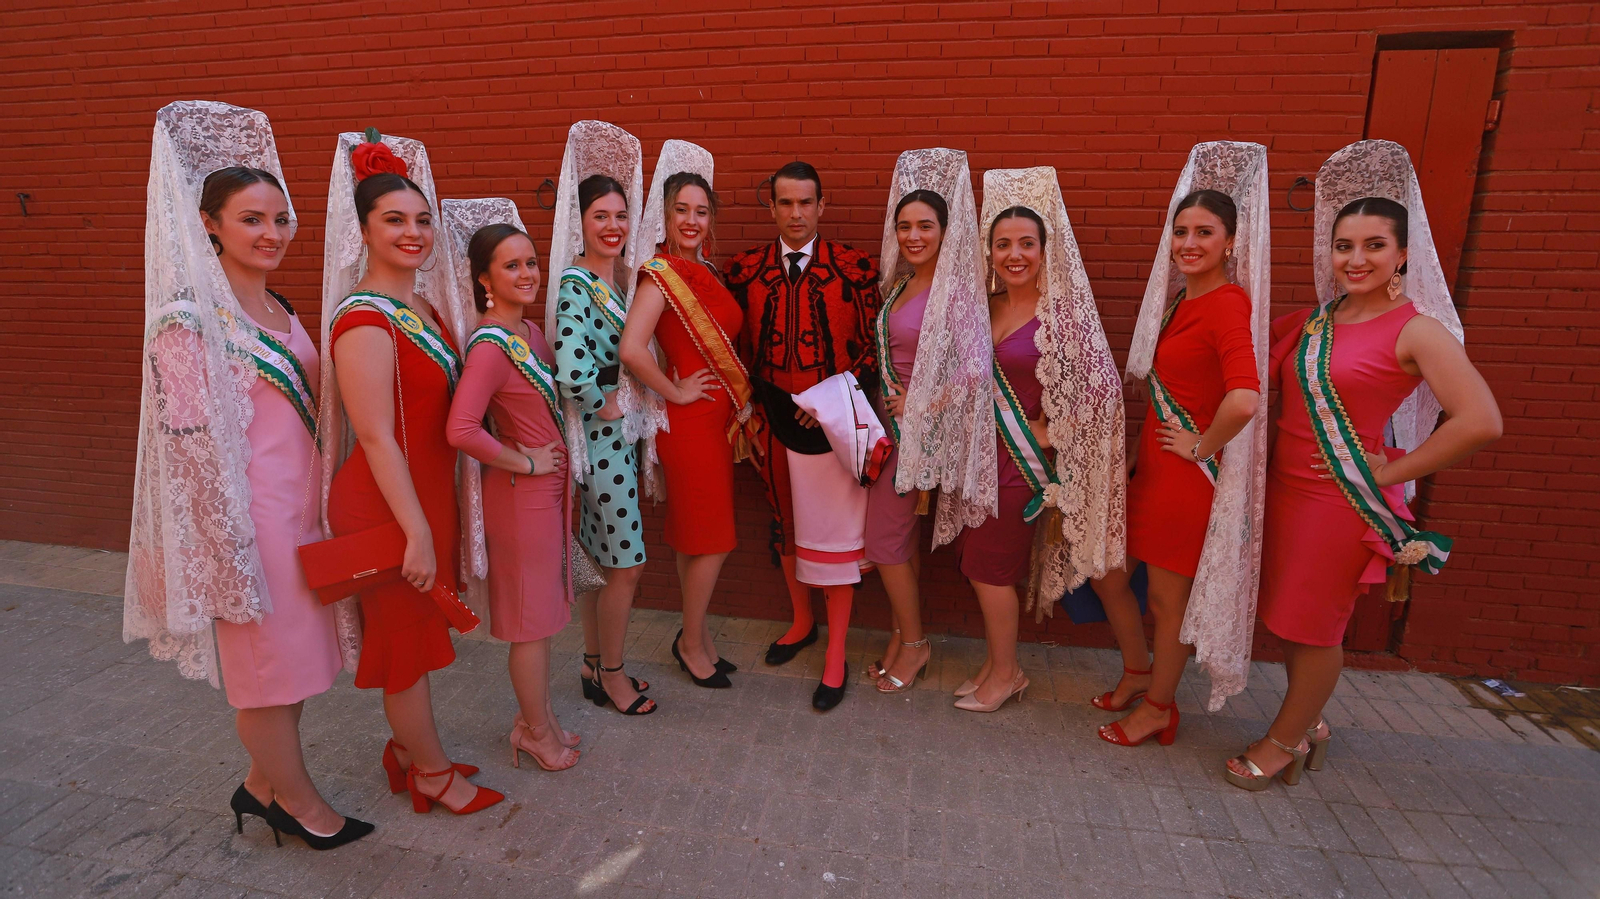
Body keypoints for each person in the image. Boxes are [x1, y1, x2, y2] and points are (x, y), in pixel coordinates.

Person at [125, 101, 371, 850]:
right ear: (209, 224)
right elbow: (188, 453)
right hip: (247, 531)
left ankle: (260, 786)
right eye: (251, 220)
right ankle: (299, 806)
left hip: (302, 520)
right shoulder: (185, 320)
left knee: (296, 667)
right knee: (265, 676)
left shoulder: (279, 304)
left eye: (280, 219)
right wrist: (221, 555)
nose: (272, 233)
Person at [1230, 141, 1500, 790]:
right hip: (1286, 493)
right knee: (1288, 620)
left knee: (1315, 627)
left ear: (1403, 253)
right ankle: (1310, 719)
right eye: (1343, 246)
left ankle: (1285, 740)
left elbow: (1481, 420)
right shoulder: (1319, 320)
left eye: (1374, 246)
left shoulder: (1416, 330)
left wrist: (1387, 473)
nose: (1356, 259)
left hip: (1339, 504)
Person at [320, 132, 501, 815]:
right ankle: (431, 775)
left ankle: (406, 752)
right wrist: (416, 532)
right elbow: (374, 436)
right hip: (386, 509)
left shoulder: (422, 309)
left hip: (423, 501)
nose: (413, 232)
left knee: (418, 639)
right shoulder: (364, 321)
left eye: (422, 219)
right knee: (404, 647)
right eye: (394, 219)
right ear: (363, 230)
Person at [1095, 142, 1274, 726]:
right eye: (1181, 232)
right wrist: (1134, 456)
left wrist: (1201, 445)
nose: (1189, 243)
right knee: (1109, 575)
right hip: (1153, 469)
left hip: (1187, 477)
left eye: (1204, 232)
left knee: (1166, 600)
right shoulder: (1180, 299)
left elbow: (1244, 398)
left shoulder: (1226, 303)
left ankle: (1158, 708)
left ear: (1231, 242)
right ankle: (1137, 671)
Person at [952, 166, 1125, 712]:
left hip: (1018, 467)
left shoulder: (1063, 315)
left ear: (1045, 250)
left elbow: (1103, 394)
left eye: (1026, 243)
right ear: (990, 251)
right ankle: (995, 664)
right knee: (977, 566)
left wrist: (1049, 431)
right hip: (979, 459)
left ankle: (1007, 675)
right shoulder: (986, 305)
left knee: (990, 573)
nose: (1015, 254)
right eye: (1003, 244)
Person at [724, 161, 883, 710]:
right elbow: (734, 349)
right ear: (771, 206)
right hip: (772, 416)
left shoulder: (856, 269)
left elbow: (874, 348)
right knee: (785, 522)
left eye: (805, 202)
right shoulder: (744, 270)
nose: (796, 214)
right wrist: (747, 409)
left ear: (822, 205)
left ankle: (837, 652)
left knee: (835, 539)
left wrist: (833, 401)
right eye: (785, 203)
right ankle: (801, 622)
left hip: (831, 424)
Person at [621, 141, 757, 690]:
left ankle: (696, 635)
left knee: (695, 536)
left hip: (714, 425)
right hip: (689, 426)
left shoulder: (706, 271)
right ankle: (691, 644)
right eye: (682, 210)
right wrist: (673, 393)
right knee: (713, 538)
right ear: (666, 215)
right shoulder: (660, 275)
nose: (692, 221)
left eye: (701, 211)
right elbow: (632, 349)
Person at [448, 222, 580, 771]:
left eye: (530, 262)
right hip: (520, 498)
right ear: (484, 279)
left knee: (542, 620)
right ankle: (535, 735)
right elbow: (461, 428)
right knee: (531, 625)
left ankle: (538, 720)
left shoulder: (528, 331)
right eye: (511, 266)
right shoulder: (490, 347)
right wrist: (525, 461)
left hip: (544, 496)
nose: (527, 274)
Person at [865, 148, 996, 694]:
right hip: (886, 431)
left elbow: (976, 370)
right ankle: (902, 635)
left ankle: (916, 646)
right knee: (898, 541)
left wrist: (919, 403)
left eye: (925, 226)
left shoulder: (956, 291)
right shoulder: (900, 285)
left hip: (915, 435)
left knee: (883, 542)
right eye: (905, 227)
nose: (913, 236)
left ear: (945, 231)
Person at [548, 121, 659, 716]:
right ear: (581, 222)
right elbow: (571, 370)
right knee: (627, 568)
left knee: (600, 562)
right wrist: (604, 403)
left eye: (620, 216)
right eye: (600, 216)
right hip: (602, 443)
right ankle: (614, 676)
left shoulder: (604, 282)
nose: (612, 226)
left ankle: (594, 665)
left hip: (611, 442)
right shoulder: (576, 284)